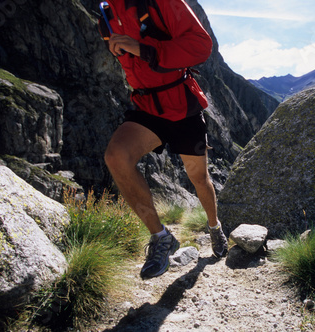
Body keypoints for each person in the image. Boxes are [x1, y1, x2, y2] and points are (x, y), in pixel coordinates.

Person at [100, 0, 228, 279]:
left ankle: (215, 227)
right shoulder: (106, 13)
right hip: (147, 105)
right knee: (116, 156)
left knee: (199, 178)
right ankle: (161, 237)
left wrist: (143, 48)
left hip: (183, 105)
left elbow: (200, 46)